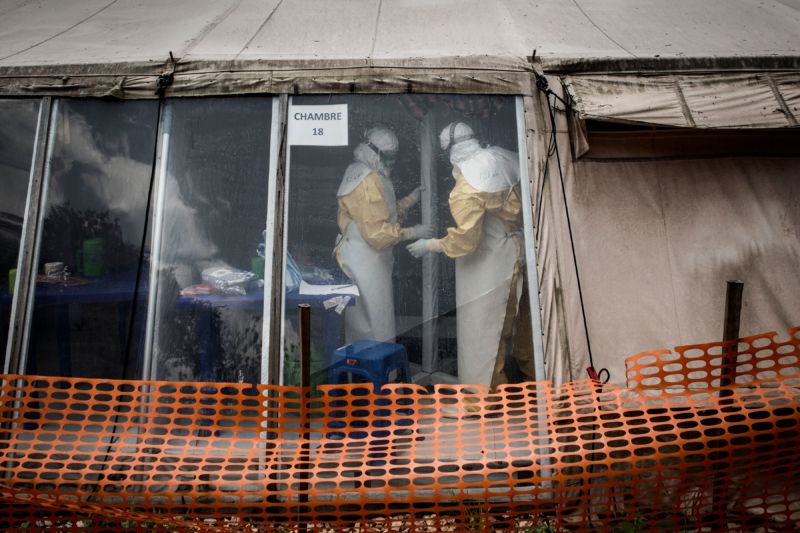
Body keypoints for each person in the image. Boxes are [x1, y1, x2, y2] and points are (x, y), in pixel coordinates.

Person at [406, 122, 534, 387]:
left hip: (489, 265)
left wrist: (430, 244)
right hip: (518, 252)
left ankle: (482, 400)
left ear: (450, 153)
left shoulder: (466, 187)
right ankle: (538, 385)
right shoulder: (501, 156)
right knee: (524, 328)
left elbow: (466, 241)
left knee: (482, 331)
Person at [335, 126, 430, 343]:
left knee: (366, 321)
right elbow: (377, 233)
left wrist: (410, 200)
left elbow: (381, 212)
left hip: (364, 258)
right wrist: (413, 232)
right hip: (366, 259)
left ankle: (364, 373)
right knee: (375, 325)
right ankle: (377, 375)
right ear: (374, 152)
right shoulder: (367, 180)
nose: (392, 163)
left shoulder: (364, 172)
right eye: (388, 157)